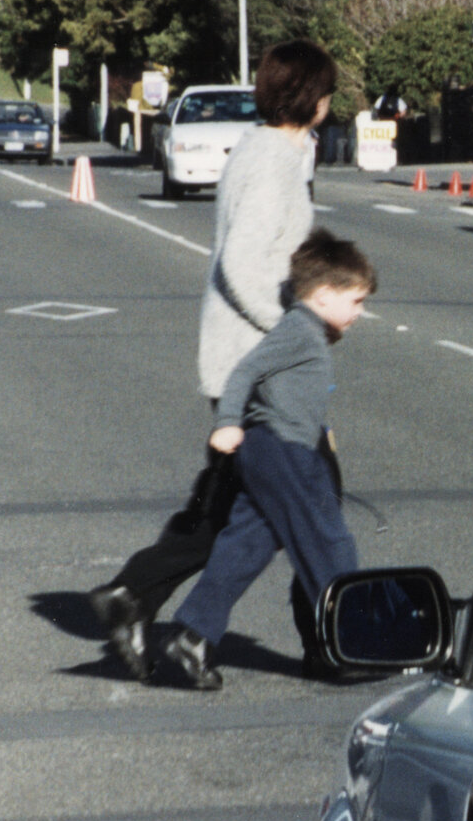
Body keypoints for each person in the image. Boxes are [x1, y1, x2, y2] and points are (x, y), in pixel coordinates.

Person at [89, 38, 338, 677]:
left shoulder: (268, 149)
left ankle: (136, 594)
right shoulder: (274, 160)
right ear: (311, 97)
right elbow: (241, 262)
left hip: (247, 357)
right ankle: (333, 636)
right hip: (258, 363)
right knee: (309, 493)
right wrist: (297, 331)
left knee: (239, 504)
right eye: (327, 90)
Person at [161, 229, 376, 690]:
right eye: (355, 301)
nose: (361, 312)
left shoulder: (309, 331)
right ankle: (353, 642)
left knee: (247, 546)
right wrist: (227, 421)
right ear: (321, 296)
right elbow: (245, 371)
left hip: (276, 450)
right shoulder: (298, 331)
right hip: (282, 451)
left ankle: (193, 634)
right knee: (327, 541)